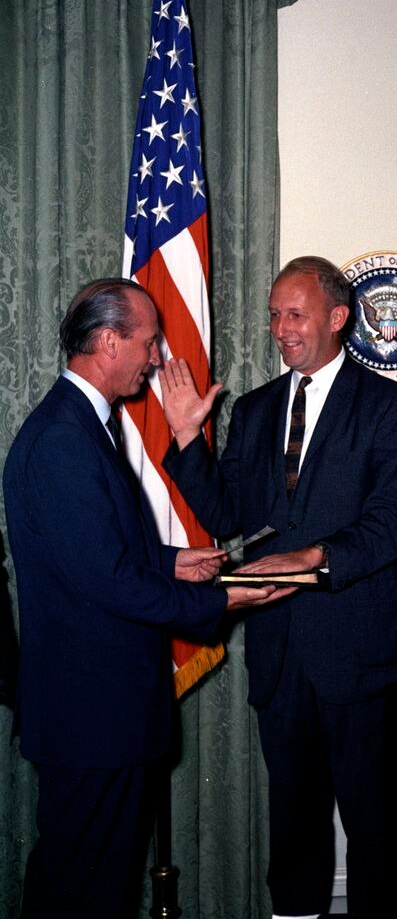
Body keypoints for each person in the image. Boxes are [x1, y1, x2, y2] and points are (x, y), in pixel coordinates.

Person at [2, 278, 288, 919]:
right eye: (148, 340)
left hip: (96, 714)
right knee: (80, 887)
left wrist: (174, 559)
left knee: (93, 881)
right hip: (91, 718)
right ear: (107, 342)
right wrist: (227, 601)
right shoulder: (63, 439)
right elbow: (105, 578)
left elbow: (89, 549)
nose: (156, 356)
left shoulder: (78, 426)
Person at [160, 256, 397, 919]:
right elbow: (231, 518)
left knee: (371, 834)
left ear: (338, 318)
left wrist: (316, 556)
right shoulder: (253, 409)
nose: (280, 328)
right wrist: (188, 437)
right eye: (274, 314)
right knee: (293, 833)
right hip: (280, 660)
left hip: (361, 659)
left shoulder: (389, 405)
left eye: (294, 313)